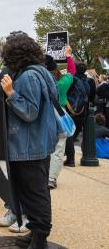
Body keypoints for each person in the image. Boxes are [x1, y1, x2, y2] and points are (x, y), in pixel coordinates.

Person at [0, 32, 58, 248]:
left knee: (35, 193)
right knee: (32, 192)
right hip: (35, 144)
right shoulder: (38, 72)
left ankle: (40, 237)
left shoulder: (28, 77)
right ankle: (35, 232)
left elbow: (30, 112)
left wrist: (10, 93)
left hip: (29, 146)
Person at [46, 48, 74, 189]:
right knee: (58, 148)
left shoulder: (38, 81)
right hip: (59, 113)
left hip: (44, 116)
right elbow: (72, 72)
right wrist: (68, 56)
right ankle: (51, 178)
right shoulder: (62, 84)